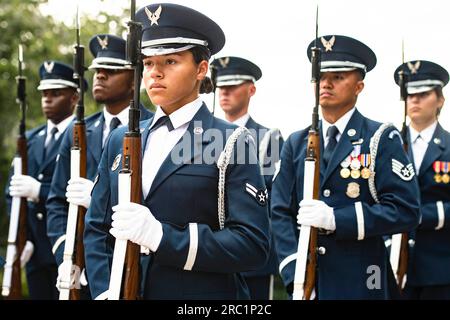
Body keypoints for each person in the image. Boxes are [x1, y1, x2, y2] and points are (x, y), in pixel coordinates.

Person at [84, 3, 270, 300]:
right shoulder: (121, 139)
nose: (155, 73)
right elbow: (96, 228)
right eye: (147, 63)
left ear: (201, 69)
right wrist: (106, 288)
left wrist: (163, 237)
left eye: (170, 62)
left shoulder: (232, 140)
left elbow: (252, 245)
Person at [271, 35, 421, 299]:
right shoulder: (296, 142)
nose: (326, 83)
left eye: (338, 76)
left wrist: (337, 219)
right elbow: (279, 211)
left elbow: (406, 210)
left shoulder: (381, 138)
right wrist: (295, 269)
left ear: (359, 86)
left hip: (363, 280)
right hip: (307, 280)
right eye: (321, 76)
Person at [46, 34, 153, 294]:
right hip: (80, 265)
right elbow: (57, 201)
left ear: (134, 81)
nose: (100, 76)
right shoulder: (78, 129)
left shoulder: (152, 130)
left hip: (132, 268)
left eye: (112, 70)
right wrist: (66, 254)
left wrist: (97, 200)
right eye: (97, 70)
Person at [6, 61, 83, 299]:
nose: (47, 100)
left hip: (67, 247)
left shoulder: (84, 136)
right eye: (44, 94)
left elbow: (79, 190)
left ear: (74, 98)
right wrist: (24, 238)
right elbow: (12, 193)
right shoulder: (30, 139)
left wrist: (41, 190)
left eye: (56, 94)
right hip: (35, 249)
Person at [211, 56, 283, 299]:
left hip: (251, 260)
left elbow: (270, 198)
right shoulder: (202, 134)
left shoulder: (267, 138)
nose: (225, 92)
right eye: (221, 86)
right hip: (208, 252)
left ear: (251, 89)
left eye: (232, 86)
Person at [393, 60, 450, 299]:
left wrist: (423, 215)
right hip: (390, 261)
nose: (414, 100)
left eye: (423, 94)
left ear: (440, 100)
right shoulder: (388, 145)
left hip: (440, 266)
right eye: (409, 94)